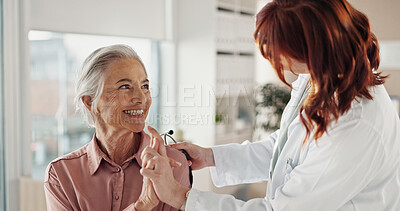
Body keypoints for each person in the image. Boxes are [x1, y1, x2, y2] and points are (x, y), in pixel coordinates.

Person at [140, 0, 400, 210]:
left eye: (281, 55)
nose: (281, 64)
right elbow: (285, 150)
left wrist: (180, 197)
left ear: (313, 49)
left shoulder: (355, 124)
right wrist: (211, 157)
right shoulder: (320, 78)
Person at [43, 44, 191, 211]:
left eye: (145, 86)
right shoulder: (62, 174)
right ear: (90, 102)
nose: (141, 98)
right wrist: (141, 207)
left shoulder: (172, 164)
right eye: (125, 87)